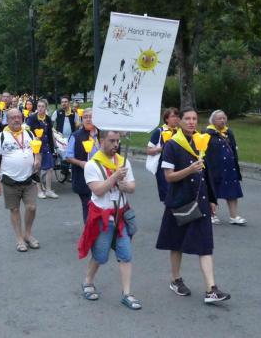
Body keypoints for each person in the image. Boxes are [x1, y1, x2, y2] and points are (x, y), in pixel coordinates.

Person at [156, 108, 230, 304]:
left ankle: (211, 289)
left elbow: (207, 174)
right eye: (187, 119)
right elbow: (169, 177)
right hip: (180, 200)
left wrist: (213, 199)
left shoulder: (200, 141)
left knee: (205, 245)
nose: (191, 122)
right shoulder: (172, 144)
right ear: (179, 121)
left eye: (194, 119)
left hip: (201, 200)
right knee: (176, 242)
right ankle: (175, 279)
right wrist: (189, 170)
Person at [77, 131, 140, 310]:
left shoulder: (123, 161)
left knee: (125, 255)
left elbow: (132, 187)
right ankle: (88, 281)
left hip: (121, 216)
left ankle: (127, 293)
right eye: (111, 141)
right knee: (100, 255)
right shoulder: (92, 165)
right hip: (102, 218)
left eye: (118, 141)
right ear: (101, 140)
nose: (116, 145)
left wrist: (125, 185)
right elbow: (97, 190)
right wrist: (114, 178)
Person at [0, 109, 41, 252]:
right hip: (9, 180)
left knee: (31, 207)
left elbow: (37, 152)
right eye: (12, 117)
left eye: (18, 117)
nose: (16, 120)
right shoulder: (1, 137)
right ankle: (19, 238)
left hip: (29, 179)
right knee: (14, 209)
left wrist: (37, 159)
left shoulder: (29, 134)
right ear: (7, 120)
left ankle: (28, 234)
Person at [204, 110, 246, 225]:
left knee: (232, 193)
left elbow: (233, 148)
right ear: (213, 121)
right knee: (212, 192)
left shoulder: (229, 132)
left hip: (230, 168)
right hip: (214, 168)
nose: (222, 120)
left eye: (224, 118)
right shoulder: (207, 133)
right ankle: (212, 215)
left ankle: (234, 216)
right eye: (219, 118)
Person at [66, 108, 99, 222]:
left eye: (91, 117)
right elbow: (68, 156)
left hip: (101, 177)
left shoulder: (102, 135)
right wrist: (81, 163)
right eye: (85, 117)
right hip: (83, 177)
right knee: (88, 206)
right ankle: (89, 234)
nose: (88, 119)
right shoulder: (76, 135)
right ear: (82, 119)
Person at [146, 107, 180, 202]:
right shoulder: (159, 132)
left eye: (177, 116)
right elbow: (148, 150)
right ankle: (170, 214)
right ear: (166, 119)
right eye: (173, 116)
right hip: (163, 166)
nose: (176, 118)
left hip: (178, 165)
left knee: (177, 192)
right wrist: (161, 149)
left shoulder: (180, 132)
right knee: (167, 192)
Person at [27, 99, 58, 199]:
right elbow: (27, 132)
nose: (40, 108)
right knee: (37, 168)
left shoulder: (48, 119)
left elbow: (50, 133)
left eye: (42, 106)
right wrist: (33, 137)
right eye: (39, 106)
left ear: (46, 108)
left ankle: (48, 190)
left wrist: (54, 146)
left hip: (46, 146)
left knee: (50, 168)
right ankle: (39, 190)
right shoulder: (32, 118)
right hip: (36, 146)